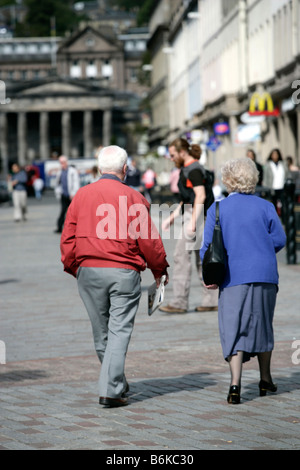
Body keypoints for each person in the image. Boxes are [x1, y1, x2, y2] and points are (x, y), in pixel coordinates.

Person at [60, 145, 169, 408]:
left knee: (101, 333)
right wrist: (160, 270)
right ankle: (111, 389)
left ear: (99, 168)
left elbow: (68, 238)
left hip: (88, 270)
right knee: (119, 330)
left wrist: (76, 267)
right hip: (123, 271)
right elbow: (149, 241)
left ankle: (115, 382)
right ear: (125, 169)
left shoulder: (81, 195)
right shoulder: (133, 197)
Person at [200, 158, 286, 405]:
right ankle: (265, 378)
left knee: (233, 326)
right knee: (263, 324)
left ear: (227, 180)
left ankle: (235, 384)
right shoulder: (266, 206)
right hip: (264, 273)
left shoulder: (217, 209)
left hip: (232, 276)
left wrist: (210, 275)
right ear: (254, 178)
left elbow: (206, 248)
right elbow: (279, 239)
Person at [159, 137, 218, 314]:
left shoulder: (193, 170)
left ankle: (179, 302)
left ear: (182, 152)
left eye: (172, 155)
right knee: (201, 259)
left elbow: (199, 196)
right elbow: (187, 199)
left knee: (181, 257)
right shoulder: (190, 169)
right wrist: (172, 217)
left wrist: (192, 222)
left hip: (198, 217)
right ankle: (210, 300)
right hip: (198, 216)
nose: (171, 158)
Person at [54, 155, 80, 233]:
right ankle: (59, 227)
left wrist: (73, 193)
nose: (62, 164)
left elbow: (76, 182)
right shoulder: (59, 172)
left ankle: (76, 228)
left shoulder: (72, 171)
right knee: (62, 211)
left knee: (73, 212)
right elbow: (58, 184)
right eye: (61, 162)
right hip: (63, 195)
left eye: (63, 162)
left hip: (71, 195)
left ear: (66, 162)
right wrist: (58, 192)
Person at [263, 148, 286, 215]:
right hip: (272, 188)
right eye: (273, 154)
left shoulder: (283, 164)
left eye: (276, 154)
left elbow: (287, 175)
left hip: (282, 187)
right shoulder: (268, 165)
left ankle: (284, 220)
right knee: (273, 205)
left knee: (283, 205)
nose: (275, 156)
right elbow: (265, 178)